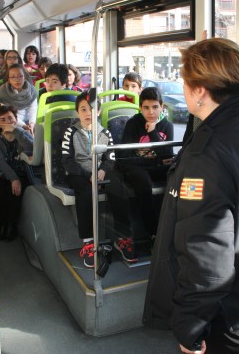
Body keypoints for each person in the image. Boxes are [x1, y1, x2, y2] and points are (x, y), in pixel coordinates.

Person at [143, 38, 239, 354]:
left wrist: (190, 327)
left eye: (185, 81)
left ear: (200, 91)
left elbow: (207, 253)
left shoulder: (206, 156)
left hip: (229, 308)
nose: (182, 88)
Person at [61, 91, 115, 268]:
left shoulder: (105, 133)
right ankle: (88, 241)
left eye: (92, 109)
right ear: (77, 112)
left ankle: (121, 236)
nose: (87, 113)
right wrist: (87, 174)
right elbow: (67, 161)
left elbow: (111, 157)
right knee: (85, 191)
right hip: (78, 174)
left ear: (98, 111)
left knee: (119, 186)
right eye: (83, 109)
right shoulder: (71, 132)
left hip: (98, 173)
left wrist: (103, 170)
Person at [117, 86, 173, 250]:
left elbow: (167, 156)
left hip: (152, 167)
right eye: (146, 108)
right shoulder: (133, 124)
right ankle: (153, 232)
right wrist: (154, 161)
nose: (151, 112)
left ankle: (172, 226)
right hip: (136, 169)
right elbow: (127, 156)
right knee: (144, 183)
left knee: (177, 174)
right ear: (140, 108)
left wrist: (154, 133)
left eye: (155, 107)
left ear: (161, 106)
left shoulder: (166, 126)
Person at [0, 105, 33, 241]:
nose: (7, 122)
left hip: (22, 174)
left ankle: (12, 225)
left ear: (16, 120)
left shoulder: (22, 134)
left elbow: (32, 148)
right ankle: (2, 223)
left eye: (10, 118)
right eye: (3, 120)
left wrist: (17, 131)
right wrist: (13, 178)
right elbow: (0, 162)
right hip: (4, 175)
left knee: (15, 194)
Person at [0, 63, 38, 132]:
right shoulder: (3, 92)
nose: (17, 79)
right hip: (12, 121)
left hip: (30, 121)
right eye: (13, 77)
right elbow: (8, 114)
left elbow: (33, 109)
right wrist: (23, 126)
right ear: (8, 80)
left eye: (20, 76)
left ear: (24, 77)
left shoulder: (31, 90)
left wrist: (32, 124)